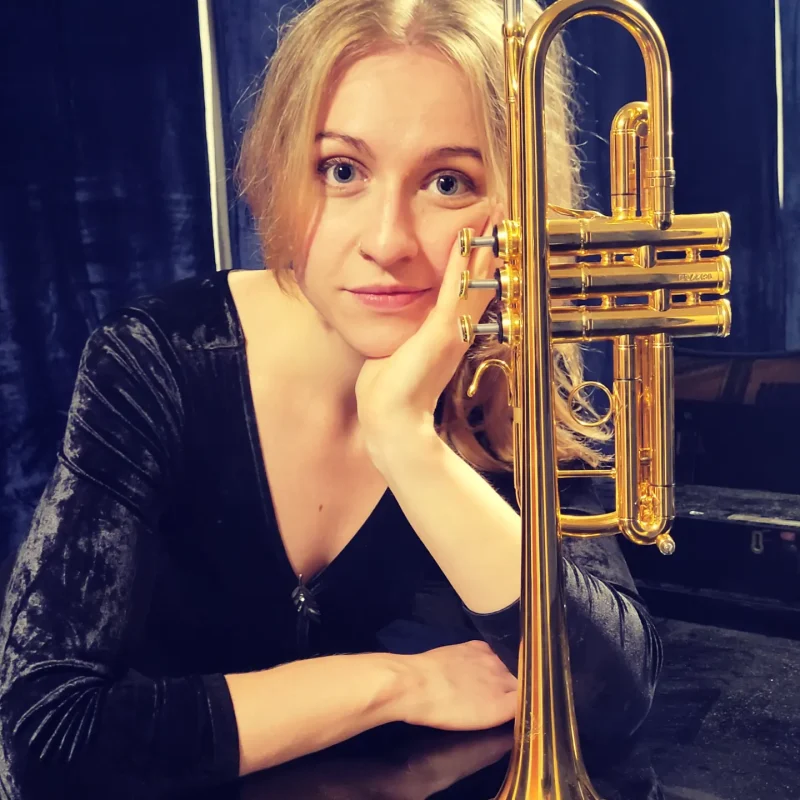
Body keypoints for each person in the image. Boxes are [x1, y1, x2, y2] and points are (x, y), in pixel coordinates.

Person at [0, 0, 663, 798]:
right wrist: (393, 684)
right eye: (342, 171)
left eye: (447, 182)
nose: (387, 242)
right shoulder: (155, 362)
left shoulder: (512, 380)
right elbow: (44, 743)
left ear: (518, 207)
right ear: (283, 172)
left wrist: (407, 441)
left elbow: (610, 702)